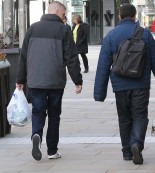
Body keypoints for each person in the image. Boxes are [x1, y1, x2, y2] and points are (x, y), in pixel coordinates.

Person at [94, 3, 155, 165]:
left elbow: (103, 65)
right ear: (135, 16)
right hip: (140, 83)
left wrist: (99, 92)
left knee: (124, 118)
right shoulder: (145, 35)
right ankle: (136, 143)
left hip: (120, 85)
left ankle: (127, 151)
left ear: (120, 16)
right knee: (140, 116)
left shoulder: (111, 36)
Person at [16, 1, 83, 161]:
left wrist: (20, 79)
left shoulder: (33, 28)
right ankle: (52, 150)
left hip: (35, 79)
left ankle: (36, 135)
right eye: (63, 13)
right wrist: (77, 80)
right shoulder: (64, 29)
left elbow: (23, 56)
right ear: (57, 11)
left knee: (38, 111)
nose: (64, 16)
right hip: (55, 80)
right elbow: (71, 57)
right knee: (54, 114)